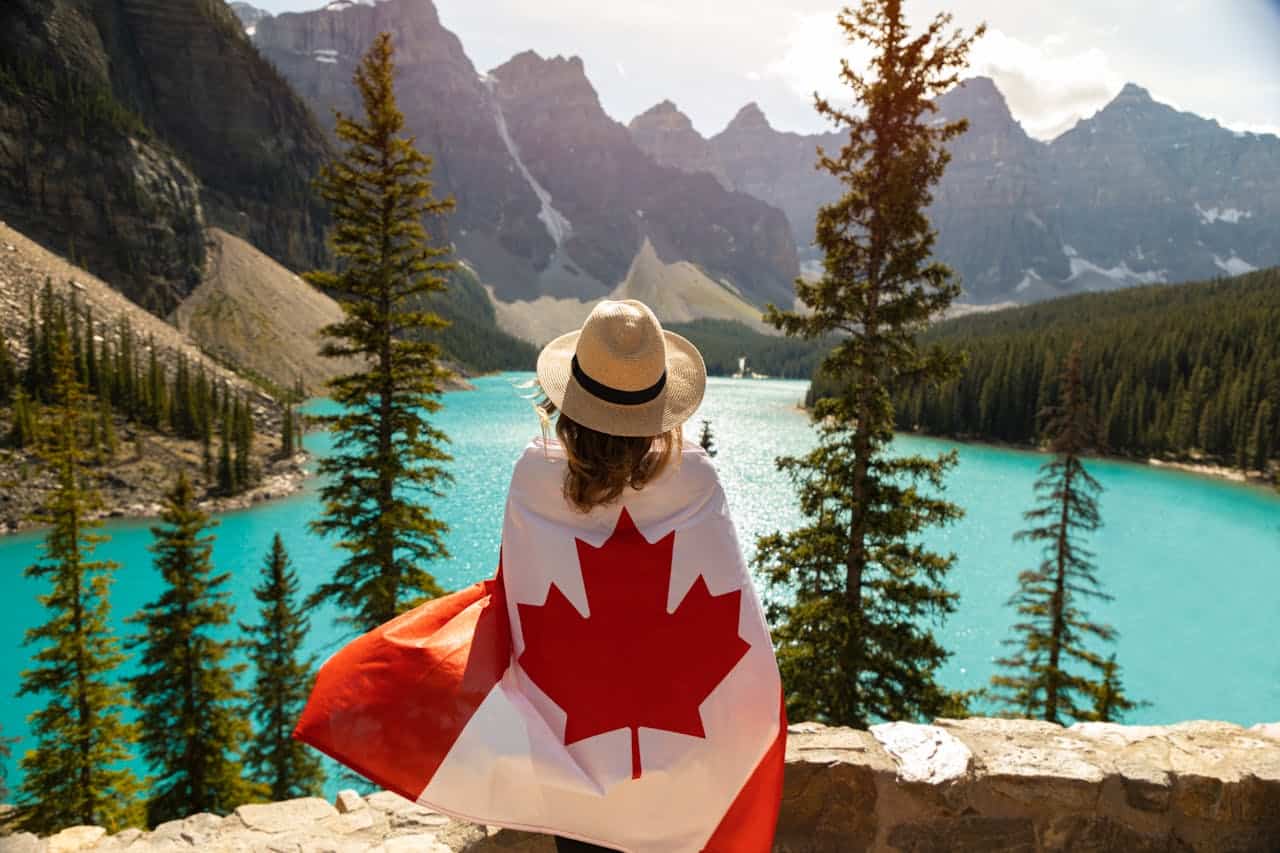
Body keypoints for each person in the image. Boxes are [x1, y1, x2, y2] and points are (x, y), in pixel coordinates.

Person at [295, 299, 785, 852]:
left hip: (574, 765)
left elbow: (518, 596)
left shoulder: (535, 477)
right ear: (660, 407)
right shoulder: (696, 479)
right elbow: (737, 622)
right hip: (687, 777)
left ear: (568, 402)